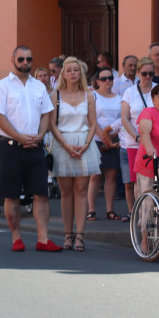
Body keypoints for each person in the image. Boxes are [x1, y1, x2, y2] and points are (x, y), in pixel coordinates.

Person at [0, 45, 62, 252]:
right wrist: (19, 136)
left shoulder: (38, 87)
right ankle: (16, 238)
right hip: (11, 147)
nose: (25, 63)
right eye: (21, 59)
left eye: (29, 60)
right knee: (11, 195)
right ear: (13, 60)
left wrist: (40, 135)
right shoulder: (3, 86)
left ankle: (43, 239)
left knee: (41, 193)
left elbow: (46, 114)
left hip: (35, 147)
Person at [49, 57, 100, 251]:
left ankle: (80, 235)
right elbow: (52, 124)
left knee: (81, 191)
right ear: (64, 73)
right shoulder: (56, 95)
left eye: (76, 70)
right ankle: (67, 234)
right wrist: (65, 144)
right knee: (66, 192)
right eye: (69, 70)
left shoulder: (88, 94)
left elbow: (93, 122)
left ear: (81, 73)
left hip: (84, 142)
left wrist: (87, 144)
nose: (72, 73)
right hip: (63, 143)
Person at [87, 65, 125, 222]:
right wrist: (103, 136)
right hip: (96, 140)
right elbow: (90, 119)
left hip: (114, 139)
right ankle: (91, 210)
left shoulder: (119, 98)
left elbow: (122, 119)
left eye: (110, 78)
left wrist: (111, 136)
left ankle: (110, 210)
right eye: (104, 78)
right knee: (95, 176)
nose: (107, 81)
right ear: (98, 81)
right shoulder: (93, 96)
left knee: (111, 175)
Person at [119, 59, 156, 203]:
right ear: (139, 73)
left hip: (154, 140)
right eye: (145, 73)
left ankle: (153, 211)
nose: (148, 77)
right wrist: (137, 137)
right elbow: (124, 118)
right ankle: (140, 212)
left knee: (154, 177)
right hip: (135, 141)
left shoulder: (158, 89)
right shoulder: (130, 92)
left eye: (151, 74)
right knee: (137, 180)